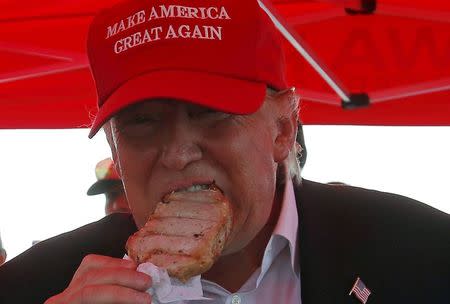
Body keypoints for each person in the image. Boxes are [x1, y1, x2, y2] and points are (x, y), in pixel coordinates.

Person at [0, 0, 449, 303]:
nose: (176, 153)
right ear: (115, 148)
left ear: (282, 129)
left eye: (211, 112)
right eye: (141, 121)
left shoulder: (425, 254)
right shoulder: (31, 286)